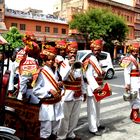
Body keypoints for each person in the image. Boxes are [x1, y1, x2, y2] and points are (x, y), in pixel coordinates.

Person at [57, 41, 87, 140]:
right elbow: (63, 78)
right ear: (67, 53)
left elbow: (81, 80)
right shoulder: (64, 64)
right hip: (67, 94)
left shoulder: (79, 64)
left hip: (78, 94)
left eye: (74, 53)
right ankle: (61, 136)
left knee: (74, 117)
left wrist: (84, 92)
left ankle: (71, 134)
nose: (73, 55)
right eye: (71, 53)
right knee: (64, 118)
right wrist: (70, 66)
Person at [32, 46, 64, 140]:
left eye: (52, 60)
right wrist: (48, 91)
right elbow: (36, 90)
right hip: (47, 104)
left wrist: (60, 85)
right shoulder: (41, 72)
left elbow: (56, 84)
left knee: (55, 128)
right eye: (48, 60)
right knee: (46, 129)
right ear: (44, 60)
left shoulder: (55, 70)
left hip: (57, 102)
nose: (50, 62)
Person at [82, 39, 106, 136]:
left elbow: (96, 73)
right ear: (92, 50)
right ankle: (93, 128)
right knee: (92, 109)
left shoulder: (96, 59)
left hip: (98, 87)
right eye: (95, 50)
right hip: (92, 88)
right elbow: (88, 75)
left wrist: (102, 73)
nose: (97, 52)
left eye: (99, 50)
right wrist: (96, 87)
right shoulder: (90, 60)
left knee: (97, 108)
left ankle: (97, 124)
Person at [15, 32, 40, 104]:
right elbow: (24, 80)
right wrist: (23, 94)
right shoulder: (29, 61)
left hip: (30, 91)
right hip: (28, 93)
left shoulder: (31, 59)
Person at [121, 42, 140, 123]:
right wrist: (128, 84)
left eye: (137, 51)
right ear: (131, 51)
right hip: (132, 82)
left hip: (137, 82)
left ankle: (132, 115)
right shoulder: (129, 59)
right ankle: (135, 117)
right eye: (133, 51)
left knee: (136, 99)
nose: (135, 53)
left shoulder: (137, 59)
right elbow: (126, 72)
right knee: (136, 99)